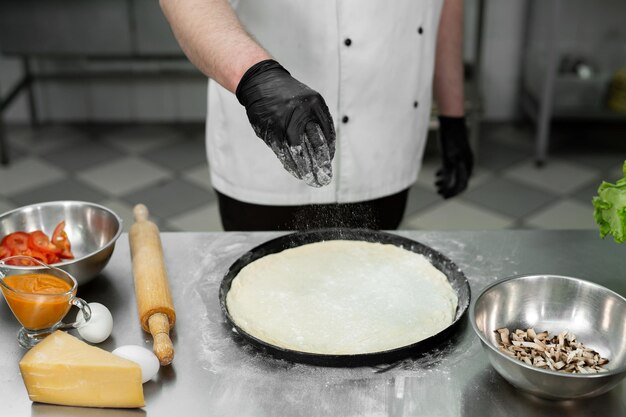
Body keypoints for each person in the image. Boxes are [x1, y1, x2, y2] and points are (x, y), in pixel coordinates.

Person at [160, 0, 473, 231]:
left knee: (374, 293)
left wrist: (452, 115)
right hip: (268, 140)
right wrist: (256, 76)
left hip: (386, 137)